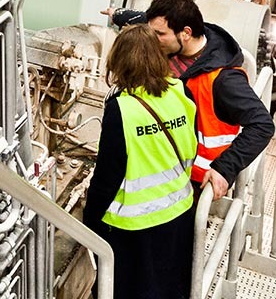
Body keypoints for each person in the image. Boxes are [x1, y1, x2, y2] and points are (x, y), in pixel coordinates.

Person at [102, 0, 275, 201]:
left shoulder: (224, 81)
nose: (150, 39)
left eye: (158, 34)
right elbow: (154, 23)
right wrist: (121, 15)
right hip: (160, 164)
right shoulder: (179, 39)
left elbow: (263, 124)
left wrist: (224, 169)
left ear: (186, 33)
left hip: (194, 183)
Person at [83, 24, 198, 299]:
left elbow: (107, 178)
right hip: (180, 213)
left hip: (134, 230)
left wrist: (90, 220)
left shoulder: (121, 110)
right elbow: (191, 144)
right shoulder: (181, 91)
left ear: (120, 63)